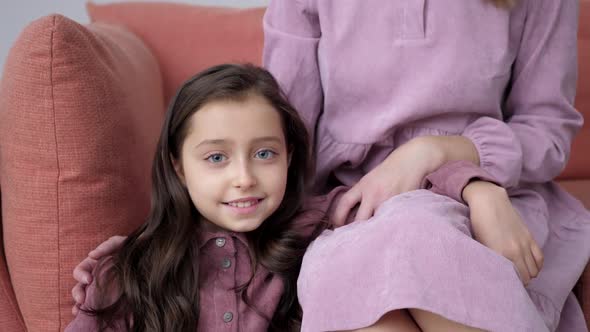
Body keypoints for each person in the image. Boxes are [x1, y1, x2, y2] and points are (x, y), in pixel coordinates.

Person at [67, 63, 512, 332]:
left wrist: (479, 189)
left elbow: (415, 196)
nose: (244, 178)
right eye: (217, 158)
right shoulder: (130, 269)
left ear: (289, 155)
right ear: (179, 166)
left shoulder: (323, 220)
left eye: (264, 154)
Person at [260, 0, 590, 331]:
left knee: (415, 234)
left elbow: (547, 130)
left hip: (489, 197)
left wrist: (434, 153)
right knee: (359, 280)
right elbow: (278, 134)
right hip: (349, 208)